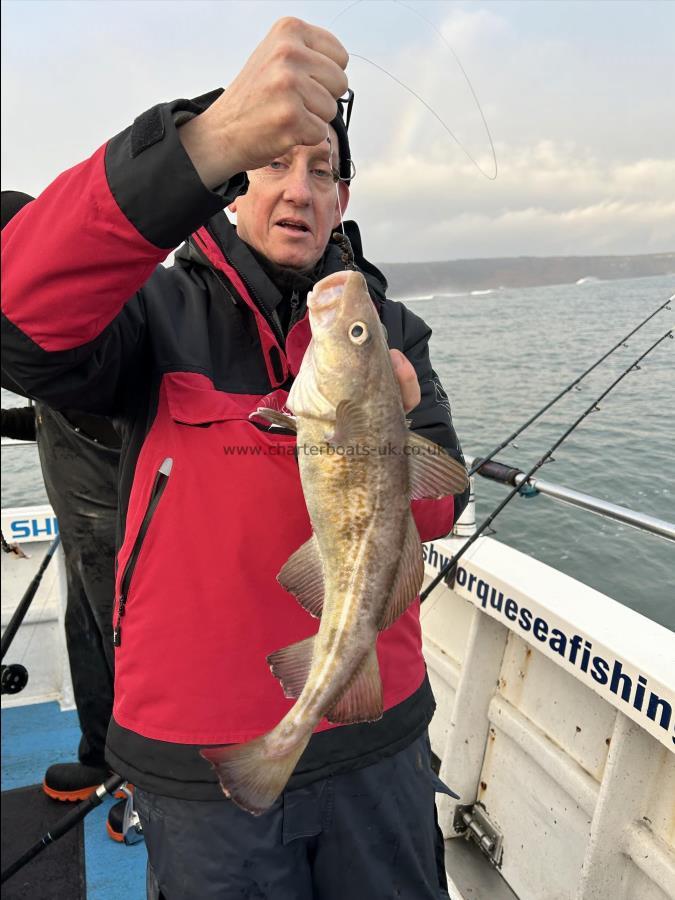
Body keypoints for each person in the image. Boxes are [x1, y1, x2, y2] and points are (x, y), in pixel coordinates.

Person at [2, 17, 469, 898]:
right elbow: (22, 323)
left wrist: (394, 419)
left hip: (378, 735)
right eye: (272, 162)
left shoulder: (389, 331)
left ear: (343, 199)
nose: (300, 188)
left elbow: (441, 508)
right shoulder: (147, 312)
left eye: (324, 170)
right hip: (198, 749)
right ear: (228, 183)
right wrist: (201, 139)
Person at [1, 191, 132, 841]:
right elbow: (52, 420)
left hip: (114, 535)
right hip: (82, 536)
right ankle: (103, 758)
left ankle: (139, 779)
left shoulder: (77, 344)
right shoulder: (60, 355)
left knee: (125, 655)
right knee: (90, 652)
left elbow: (78, 409)